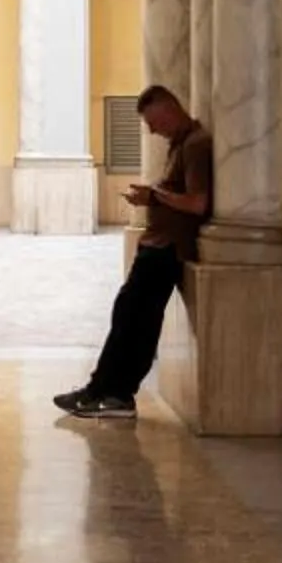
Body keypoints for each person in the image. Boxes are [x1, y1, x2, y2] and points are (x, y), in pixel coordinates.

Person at [55, 85, 213, 420]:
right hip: (155, 246)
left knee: (137, 322)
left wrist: (153, 197)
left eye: (155, 122)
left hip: (167, 250)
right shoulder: (180, 144)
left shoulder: (197, 145)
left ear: (170, 111)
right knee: (127, 314)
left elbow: (198, 203)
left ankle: (116, 394)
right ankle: (100, 389)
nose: (153, 130)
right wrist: (153, 196)